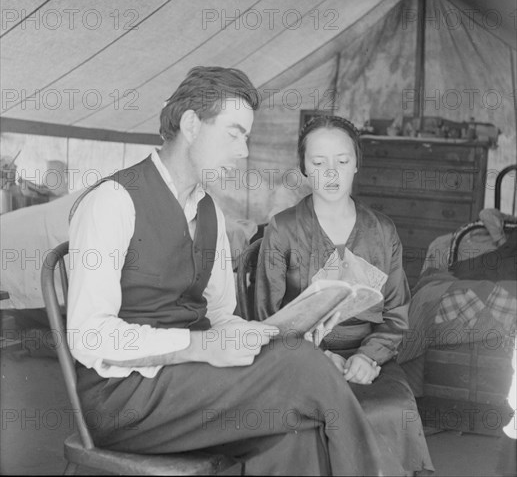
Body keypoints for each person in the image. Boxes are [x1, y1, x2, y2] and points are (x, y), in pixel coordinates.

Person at [67, 67, 406, 476]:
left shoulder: (209, 210)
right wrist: (200, 347)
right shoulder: (113, 202)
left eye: (246, 137)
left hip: (187, 381)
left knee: (300, 393)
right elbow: (88, 337)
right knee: (302, 370)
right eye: (233, 133)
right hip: (125, 398)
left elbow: (222, 317)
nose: (243, 150)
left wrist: (279, 331)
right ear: (191, 124)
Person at [255, 115, 434, 474]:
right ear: (303, 167)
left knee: (393, 409)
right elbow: (265, 316)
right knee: (295, 422)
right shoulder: (283, 228)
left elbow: (397, 313)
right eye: (318, 163)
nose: (331, 172)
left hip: (367, 360)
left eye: (342, 160)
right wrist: (315, 358)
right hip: (297, 357)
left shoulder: (382, 231)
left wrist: (369, 357)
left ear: (357, 164)